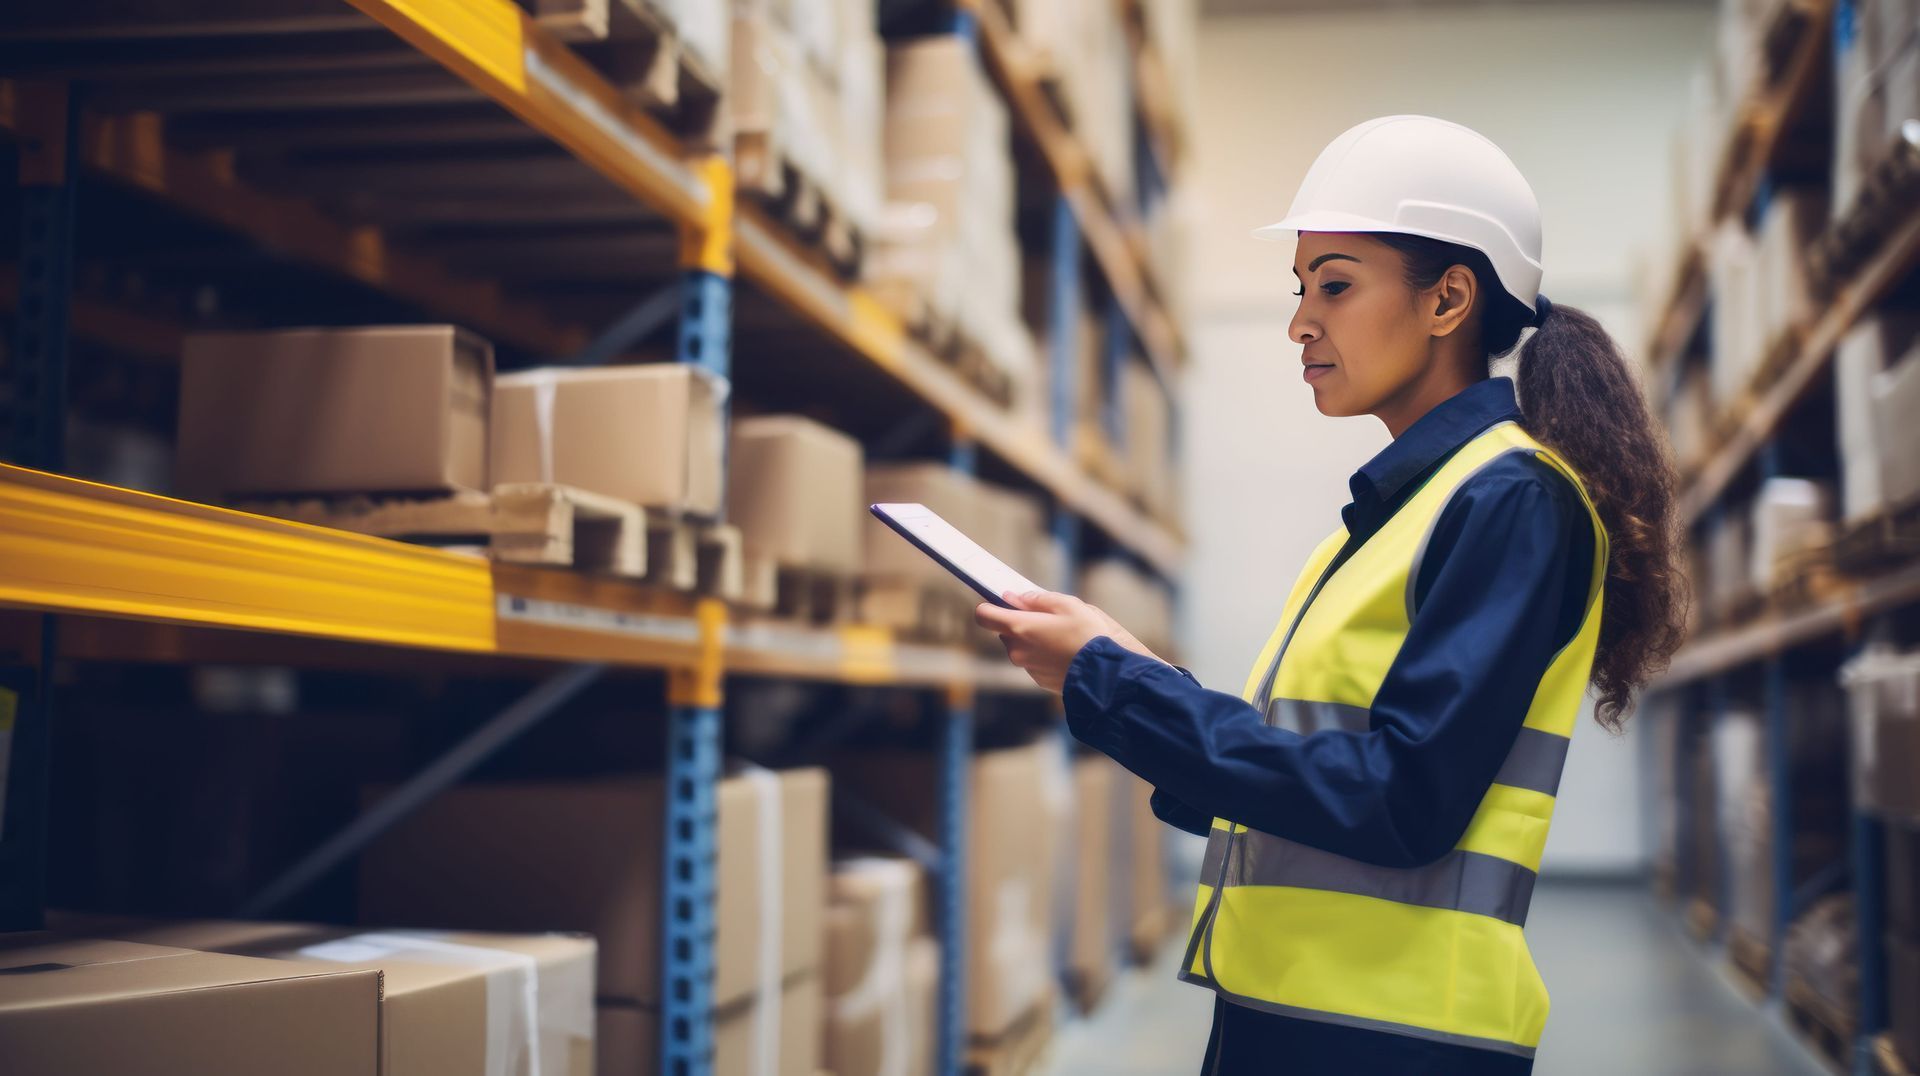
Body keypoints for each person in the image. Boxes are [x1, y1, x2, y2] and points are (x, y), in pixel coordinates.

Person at [974, 115, 1688, 1074]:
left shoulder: (1512, 501)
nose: (1301, 322)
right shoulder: (1404, 509)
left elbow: (1401, 803)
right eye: (1301, 289)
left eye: (1337, 286)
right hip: (1301, 1012)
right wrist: (1125, 676)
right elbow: (1312, 775)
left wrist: (1119, 689)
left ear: (1450, 300)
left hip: (1394, 1037)